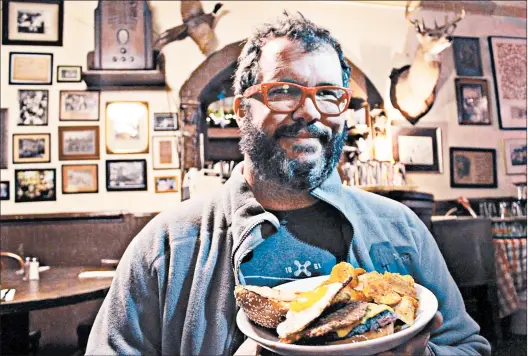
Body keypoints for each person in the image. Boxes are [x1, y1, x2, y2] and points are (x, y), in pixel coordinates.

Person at [86, 12, 491, 356]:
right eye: (283, 91)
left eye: (329, 93)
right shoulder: (166, 247)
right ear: (243, 108)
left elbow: (468, 346)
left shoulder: (401, 230)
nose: (310, 111)